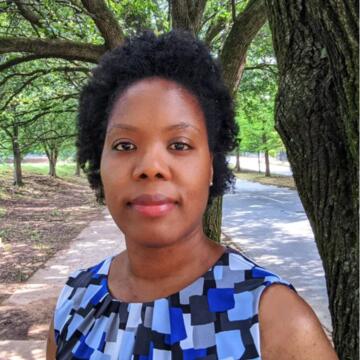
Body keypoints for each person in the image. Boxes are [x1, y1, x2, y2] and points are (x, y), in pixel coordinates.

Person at [46, 30, 338, 359]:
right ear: (98, 161)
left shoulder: (274, 319)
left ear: (212, 166)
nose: (150, 167)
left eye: (179, 145)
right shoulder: (74, 303)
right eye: (125, 145)